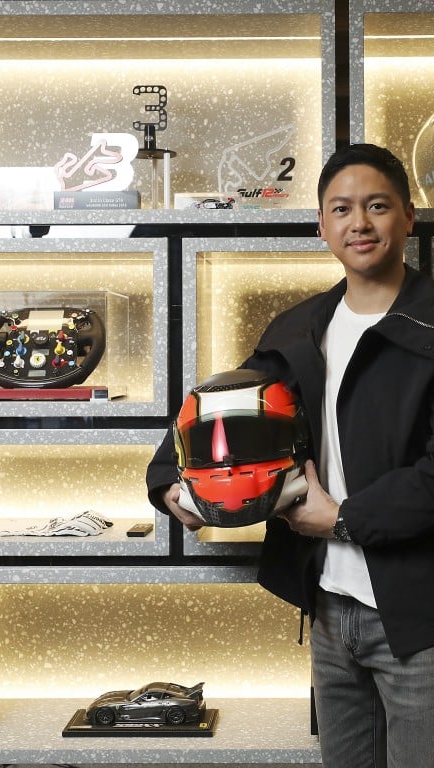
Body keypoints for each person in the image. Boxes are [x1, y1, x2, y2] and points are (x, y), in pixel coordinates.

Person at [146, 143, 434, 767]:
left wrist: (344, 519)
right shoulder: (297, 329)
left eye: (378, 205)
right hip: (331, 607)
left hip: (419, 615)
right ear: (322, 226)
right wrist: (173, 481)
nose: (360, 223)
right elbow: (220, 408)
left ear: (409, 217)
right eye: (341, 209)